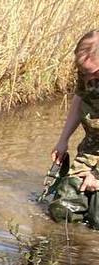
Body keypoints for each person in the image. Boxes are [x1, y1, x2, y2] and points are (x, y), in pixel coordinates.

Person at [48, 30, 99, 221]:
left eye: (92, 72)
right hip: (93, 147)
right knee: (62, 210)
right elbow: (80, 99)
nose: (87, 78)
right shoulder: (87, 72)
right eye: (83, 72)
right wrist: (63, 141)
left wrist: (96, 174)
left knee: (97, 218)